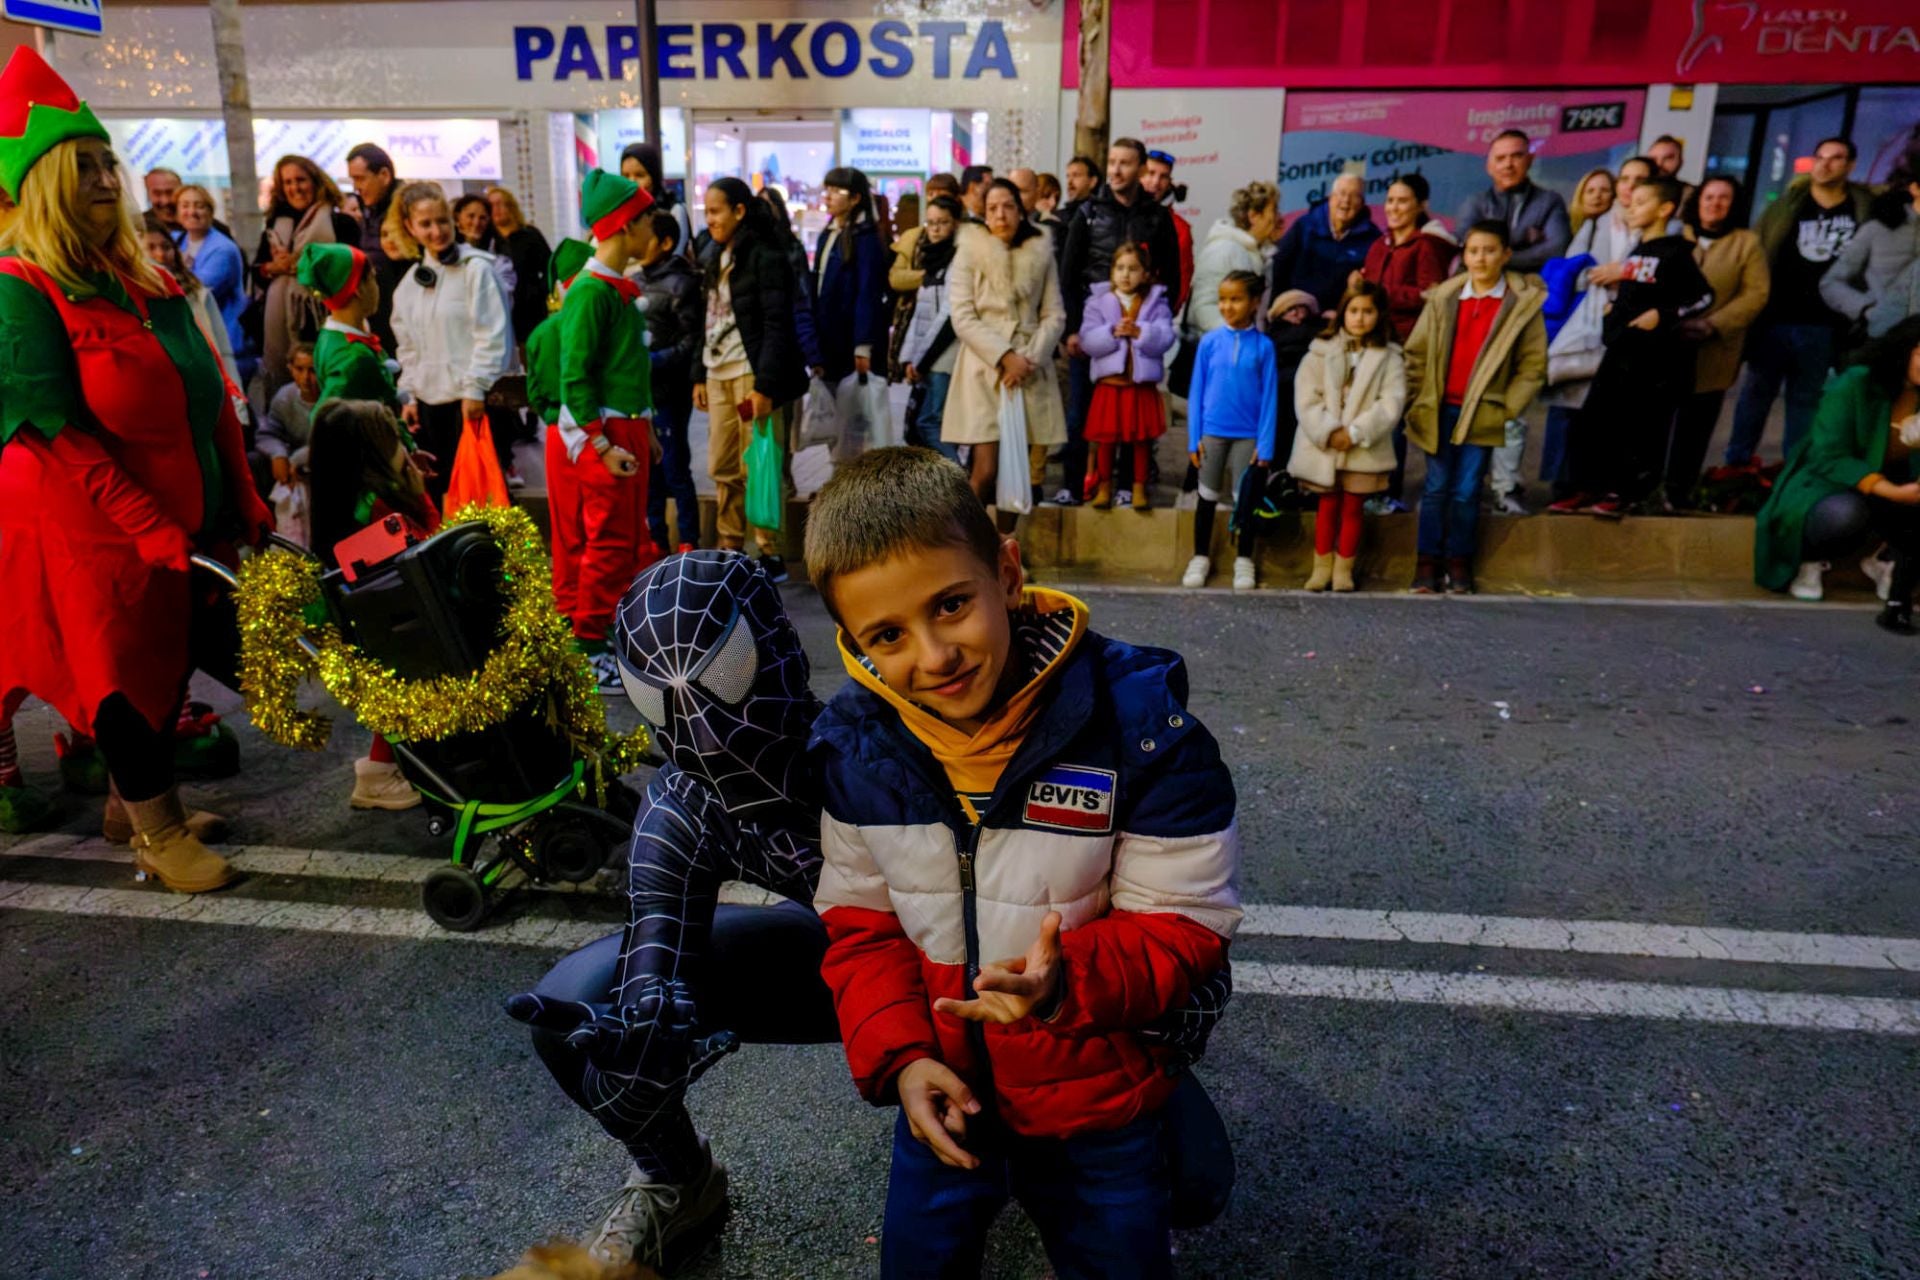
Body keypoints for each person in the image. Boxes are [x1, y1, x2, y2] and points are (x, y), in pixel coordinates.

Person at [506, 546, 1236, 1273]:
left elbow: (1173, 932)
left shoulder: (880, 750)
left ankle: (1059, 1137)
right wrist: (638, 1076)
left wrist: (1126, 1020)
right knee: (587, 1006)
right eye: (663, 700)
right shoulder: (689, 807)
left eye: (722, 676)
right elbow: (654, 979)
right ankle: (674, 1178)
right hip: (864, 971)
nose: (705, 729)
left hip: (1011, 987)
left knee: (1191, 1181)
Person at [805, 447, 1240, 1280]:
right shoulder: (854, 752)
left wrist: (1064, 983)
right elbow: (858, 928)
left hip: (1098, 1100)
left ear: (1006, 574)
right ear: (853, 641)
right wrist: (902, 1057)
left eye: (952, 605)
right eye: (888, 635)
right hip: (945, 1091)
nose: (934, 656)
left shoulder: (1140, 728)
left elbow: (1186, 922)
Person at [0, 47, 273, 891]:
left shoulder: (142, 276)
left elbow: (211, 397)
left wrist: (244, 495)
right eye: (79, 166)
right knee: (120, 668)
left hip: (182, 516)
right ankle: (157, 832)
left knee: (173, 654)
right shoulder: (22, 287)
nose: (103, 178)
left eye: (103, 161)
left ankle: (134, 807)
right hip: (92, 528)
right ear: (38, 182)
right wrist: (148, 525)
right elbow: (57, 434)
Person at [1555, 176, 1716, 517]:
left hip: (1653, 361)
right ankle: (1587, 487)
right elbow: (1634, 290)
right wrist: (1613, 313)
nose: (1630, 207)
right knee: (1595, 420)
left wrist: (1664, 314)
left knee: (1637, 428)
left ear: (1664, 209)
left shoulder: (1675, 254)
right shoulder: (1637, 251)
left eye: (1641, 202)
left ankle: (1624, 491)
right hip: (1619, 352)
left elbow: (1703, 296)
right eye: (1630, 202)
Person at [304, 397, 437, 807]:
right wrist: (418, 490)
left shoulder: (347, 503)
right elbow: (429, 551)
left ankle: (385, 766)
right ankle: (378, 773)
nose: (406, 448)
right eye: (396, 441)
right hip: (392, 632)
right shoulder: (379, 511)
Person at [1403, 221, 1549, 594]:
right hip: (1439, 408)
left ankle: (1459, 561)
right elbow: (1416, 352)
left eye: (1488, 250)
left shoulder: (1519, 306)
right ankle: (1426, 562)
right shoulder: (1444, 299)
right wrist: (1417, 395)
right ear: (1463, 255)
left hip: (1484, 411)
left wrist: (1507, 408)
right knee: (1435, 488)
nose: (1480, 258)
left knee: (1467, 490)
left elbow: (1532, 366)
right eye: (1472, 251)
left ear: (1506, 255)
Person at [554, 169, 655, 686]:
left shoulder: (611, 290)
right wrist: (599, 441)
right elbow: (575, 375)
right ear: (623, 226)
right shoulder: (592, 293)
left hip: (626, 430)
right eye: (645, 220)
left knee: (629, 539)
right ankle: (590, 646)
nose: (652, 230)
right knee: (609, 542)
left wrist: (647, 428)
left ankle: (612, 632)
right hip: (609, 436)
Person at [1755, 316, 1920, 633]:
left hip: (1897, 486)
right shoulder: (1857, 383)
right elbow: (1828, 454)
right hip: (1831, 483)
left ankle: (1886, 559)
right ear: (1903, 350)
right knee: (1843, 514)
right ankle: (1810, 558)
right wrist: (1886, 489)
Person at [1726, 136, 1873, 468]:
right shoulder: (1787, 205)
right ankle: (1733, 471)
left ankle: (1795, 474)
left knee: (1805, 403)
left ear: (1850, 166)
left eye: (1836, 158)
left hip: (1825, 323)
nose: (1825, 164)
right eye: (1820, 156)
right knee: (1754, 396)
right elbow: (1759, 252)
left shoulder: (1862, 209)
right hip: (1775, 318)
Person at [694, 177, 809, 580]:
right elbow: (703, 320)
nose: (710, 220)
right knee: (721, 464)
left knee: (759, 463)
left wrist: (766, 385)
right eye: (706, 211)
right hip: (717, 372)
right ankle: (729, 545)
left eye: (716, 211)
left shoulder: (765, 254)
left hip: (750, 373)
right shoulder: (713, 253)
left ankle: (768, 550)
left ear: (739, 211)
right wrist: (697, 373)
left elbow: (778, 324)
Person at [1058, 139, 1180, 505]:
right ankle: (1074, 483)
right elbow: (1068, 274)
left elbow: (1171, 277)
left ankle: (1128, 486)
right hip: (1093, 331)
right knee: (1081, 413)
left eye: (1125, 163)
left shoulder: (1157, 218)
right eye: (1111, 162)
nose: (1115, 170)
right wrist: (1073, 330)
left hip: (1137, 334)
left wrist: (1153, 320)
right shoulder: (1088, 212)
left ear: (1141, 169)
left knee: (1132, 418)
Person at [944, 178, 1067, 524]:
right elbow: (962, 315)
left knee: (1019, 465)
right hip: (985, 368)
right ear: (983, 214)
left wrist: (1029, 358)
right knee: (986, 466)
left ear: (1021, 209)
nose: (1001, 214)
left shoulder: (1041, 250)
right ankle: (968, 546)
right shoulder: (969, 251)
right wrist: (1004, 356)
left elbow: (1054, 313)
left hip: (1029, 366)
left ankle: (1006, 547)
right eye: (992, 208)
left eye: (1008, 206)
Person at [387, 180, 515, 507]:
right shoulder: (408, 287)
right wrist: (410, 394)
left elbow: (493, 333)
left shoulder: (477, 270)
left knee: (484, 503)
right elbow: (409, 348)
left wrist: (475, 389)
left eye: (442, 221)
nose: (436, 231)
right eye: (425, 224)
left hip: (473, 403)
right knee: (444, 502)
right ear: (409, 227)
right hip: (431, 407)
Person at [1291, 281, 1406, 592]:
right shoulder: (1320, 350)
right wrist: (1329, 430)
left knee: (1354, 507)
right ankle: (1321, 567)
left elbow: (1391, 402)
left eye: (1368, 311)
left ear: (1379, 315)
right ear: (1342, 313)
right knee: (1326, 506)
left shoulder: (1390, 357)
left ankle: (1344, 568)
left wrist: (1355, 432)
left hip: (1362, 448)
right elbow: (1306, 395)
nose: (1359, 318)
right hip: (1325, 447)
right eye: (1353, 310)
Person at [1668, 176, 1770, 508]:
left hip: (1714, 350)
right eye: (1709, 196)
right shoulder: (1675, 236)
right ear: (1697, 202)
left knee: (1695, 427)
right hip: (1666, 346)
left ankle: (1679, 492)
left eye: (1724, 198)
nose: (1715, 203)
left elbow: (1755, 293)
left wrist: (1713, 324)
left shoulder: (1747, 243)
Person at [1356, 174, 1454, 512]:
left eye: (1402, 201)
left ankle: (1388, 493)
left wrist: (1380, 294)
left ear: (1421, 206)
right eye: (1390, 201)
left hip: (1406, 348)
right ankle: (1371, 489)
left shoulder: (1425, 245)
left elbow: (1432, 295)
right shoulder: (1378, 244)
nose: (1394, 208)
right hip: (1372, 344)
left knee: (1393, 421)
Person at [1182, 271, 1279, 592]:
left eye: (1235, 299)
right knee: (1206, 496)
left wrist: (1264, 446)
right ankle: (1200, 556)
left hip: (1248, 436)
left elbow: (1270, 399)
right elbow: (1196, 392)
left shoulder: (1264, 347)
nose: (1227, 306)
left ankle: (1244, 559)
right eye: (1223, 299)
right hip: (1212, 433)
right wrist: (1194, 437)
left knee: (1245, 500)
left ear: (1254, 303)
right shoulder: (1209, 342)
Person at [252, 154, 359, 397]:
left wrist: (303, 266)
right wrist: (273, 268)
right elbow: (257, 273)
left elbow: (351, 271)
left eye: (300, 180)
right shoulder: (273, 227)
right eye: (287, 182)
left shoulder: (340, 223)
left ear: (315, 181)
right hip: (280, 322)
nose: (295, 188)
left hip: (326, 319)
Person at [1078, 242, 1175, 509]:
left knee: (1141, 441)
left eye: (1133, 269)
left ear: (1145, 273)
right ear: (1111, 271)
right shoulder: (1098, 302)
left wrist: (1141, 332)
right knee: (1106, 440)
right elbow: (1088, 340)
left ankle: (1139, 487)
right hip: (1110, 384)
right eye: (1120, 268)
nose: (1125, 274)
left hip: (1139, 385)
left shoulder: (1156, 302)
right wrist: (1111, 332)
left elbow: (1166, 336)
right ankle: (1104, 486)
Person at [638, 208, 702, 555]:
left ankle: (689, 541)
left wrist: (653, 361)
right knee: (649, 472)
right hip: (642, 394)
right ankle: (657, 541)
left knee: (675, 467)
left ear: (665, 242)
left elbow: (692, 340)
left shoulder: (682, 282)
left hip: (670, 391)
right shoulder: (635, 281)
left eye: (644, 234)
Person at [896, 194, 965, 464]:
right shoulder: (930, 260)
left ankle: (960, 482)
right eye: (931, 222)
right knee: (926, 424)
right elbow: (920, 314)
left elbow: (947, 316)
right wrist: (908, 357)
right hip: (928, 357)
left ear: (956, 224)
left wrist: (921, 360)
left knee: (930, 423)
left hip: (944, 356)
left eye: (943, 222)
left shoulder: (957, 261)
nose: (935, 229)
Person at [1819, 170, 1920, 353]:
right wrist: (1866, 309)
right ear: (1915, 188)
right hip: (1880, 336)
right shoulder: (1878, 228)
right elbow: (1831, 282)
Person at [297, 242, 402, 414]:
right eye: (372, 278)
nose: (377, 286)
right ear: (358, 289)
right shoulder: (354, 358)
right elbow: (325, 418)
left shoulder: (329, 335)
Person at [813, 166, 892, 387]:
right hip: (826, 336)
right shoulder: (828, 234)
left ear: (856, 198)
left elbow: (868, 292)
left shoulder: (866, 238)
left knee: (850, 412)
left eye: (837, 191)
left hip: (849, 338)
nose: (828, 196)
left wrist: (863, 346)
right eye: (827, 189)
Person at [142, 213, 239, 390]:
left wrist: (237, 402)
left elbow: (222, 351)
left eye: (166, 247)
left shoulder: (196, 293)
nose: (160, 255)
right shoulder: (132, 301)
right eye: (151, 247)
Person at [1454, 129, 1572, 273]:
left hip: (1533, 285)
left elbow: (1557, 248)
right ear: (1489, 167)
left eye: (1516, 156)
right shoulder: (1475, 204)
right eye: (1500, 158)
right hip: (1480, 284)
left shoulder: (1549, 201)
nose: (1508, 165)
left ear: (1530, 160)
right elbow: (1463, 247)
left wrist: (1499, 258)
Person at [1270, 174, 1381, 317]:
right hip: (1295, 313)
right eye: (1341, 194)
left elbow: (1370, 290)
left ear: (1362, 203)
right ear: (1331, 197)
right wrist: (1282, 308)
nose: (1346, 201)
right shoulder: (1304, 226)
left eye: (1354, 196)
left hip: (1339, 318)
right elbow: (1279, 268)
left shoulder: (1372, 238)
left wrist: (1342, 313)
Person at [1191, 180, 1280, 336]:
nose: (1277, 217)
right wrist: (1235, 341)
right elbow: (1204, 307)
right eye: (1273, 210)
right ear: (1253, 215)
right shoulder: (1224, 249)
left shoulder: (1264, 256)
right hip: (1219, 352)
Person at [173, 182, 247, 359]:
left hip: (222, 338)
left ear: (211, 212)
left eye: (200, 206)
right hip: (195, 336)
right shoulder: (176, 241)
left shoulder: (223, 249)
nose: (192, 212)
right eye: (185, 206)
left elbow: (195, 291)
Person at [345, 142, 401, 346]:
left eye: (360, 178)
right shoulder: (370, 209)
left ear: (384, 175)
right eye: (353, 180)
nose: (356, 188)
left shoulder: (405, 208)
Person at [258, 341, 318, 493]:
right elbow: (268, 433)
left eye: (312, 371)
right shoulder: (285, 397)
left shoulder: (331, 397)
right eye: (299, 369)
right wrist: (278, 454)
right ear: (290, 369)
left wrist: (299, 458)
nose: (306, 377)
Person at [620, 141, 693, 260]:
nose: (632, 182)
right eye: (626, 176)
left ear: (654, 176)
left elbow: (675, 258)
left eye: (640, 175)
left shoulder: (674, 210)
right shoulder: (621, 212)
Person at [1140, 150, 1194, 311]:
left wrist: (1163, 313)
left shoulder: (1180, 228)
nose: (1156, 182)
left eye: (1163, 177)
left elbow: (1182, 281)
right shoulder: (1118, 213)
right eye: (1150, 173)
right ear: (1138, 174)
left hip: (1153, 315)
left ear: (1170, 182)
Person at [143, 166, 181, 230]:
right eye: (157, 194)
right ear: (148, 196)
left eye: (170, 193)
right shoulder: (137, 226)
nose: (165, 201)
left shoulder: (200, 223)